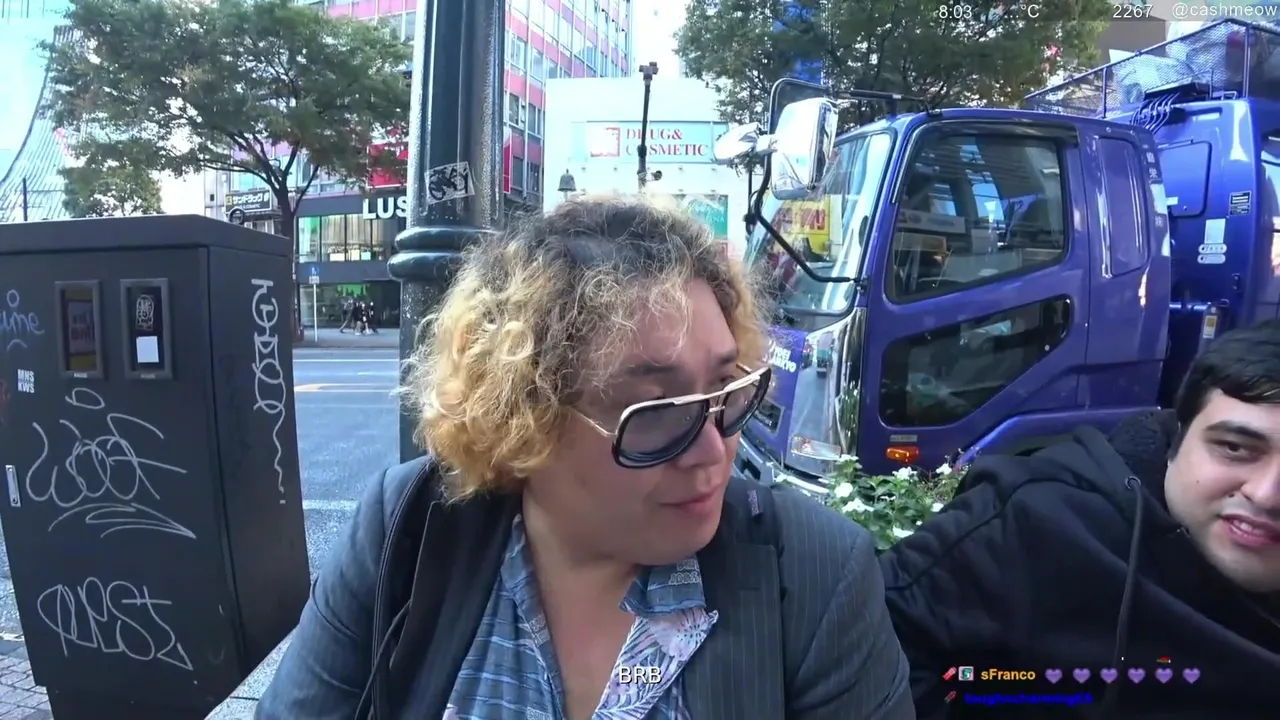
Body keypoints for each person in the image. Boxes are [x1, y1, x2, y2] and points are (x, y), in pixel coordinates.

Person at [257, 196, 913, 719]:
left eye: (724, 389)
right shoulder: (405, 531)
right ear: (524, 418)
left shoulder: (815, 577)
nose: (713, 450)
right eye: (655, 411)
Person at [880, 319, 1280, 718]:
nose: (1265, 495)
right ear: (1178, 436)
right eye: (1235, 448)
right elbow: (873, 639)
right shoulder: (1035, 522)